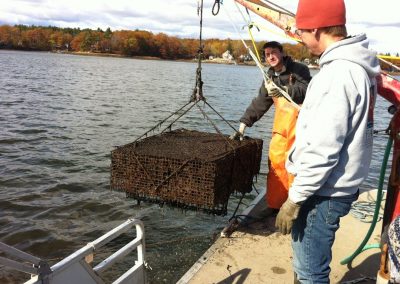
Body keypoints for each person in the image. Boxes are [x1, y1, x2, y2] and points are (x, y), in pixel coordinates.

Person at [274, 0, 381, 282]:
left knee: (310, 271)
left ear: (318, 29)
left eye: (302, 32)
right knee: (310, 265)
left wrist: (295, 199)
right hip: (336, 187)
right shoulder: (359, 68)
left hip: (323, 192)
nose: (301, 39)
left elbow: (323, 151)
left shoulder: (337, 74)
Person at [231, 41, 311, 216]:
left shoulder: (299, 69)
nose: (271, 57)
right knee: (275, 165)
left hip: (301, 129)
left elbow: (306, 90)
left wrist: (284, 90)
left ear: (282, 53)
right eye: (267, 55)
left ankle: (296, 206)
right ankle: (275, 206)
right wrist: (243, 125)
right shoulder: (269, 77)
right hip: (281, 130)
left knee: (296, 167)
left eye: (274, 52)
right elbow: (260, 102)